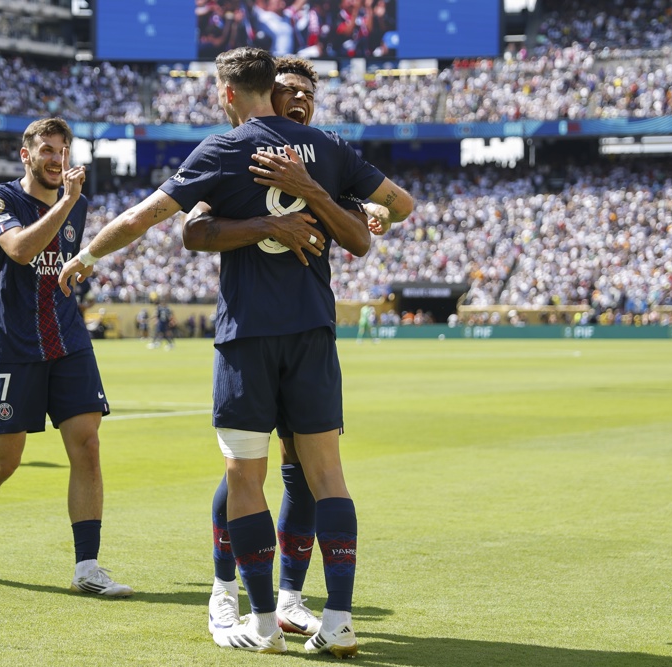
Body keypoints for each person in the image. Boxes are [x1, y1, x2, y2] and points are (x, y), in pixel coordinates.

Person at [58, 47, 413, 656]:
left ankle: (266, 621)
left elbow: (148, 217)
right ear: (271, 91)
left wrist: (87, 256)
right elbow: (400, 204)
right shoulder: (328, 149)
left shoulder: (225, 150)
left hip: (248, 335)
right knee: (326, 472)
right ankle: (338, 618)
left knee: (245, 474)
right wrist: (354, 212)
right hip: (311, 332)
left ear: (227, 94)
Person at [184, 53, 412, 643]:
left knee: (299, 476)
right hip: (263, 331)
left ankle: (288, 603)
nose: (298, 100)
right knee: (244, 474)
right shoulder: (238, 150)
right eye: (287, 90)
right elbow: (192, 226)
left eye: (307, 93)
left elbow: (392, 210)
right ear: (266, 92)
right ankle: (224, 590)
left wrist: (364, 209)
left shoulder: (327, 153)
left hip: (304, 331)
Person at [0, 118, 131, 598]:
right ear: (25, 154)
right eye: (47, 149)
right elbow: (22, 250)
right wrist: (66, 203)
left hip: (68, 342)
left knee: (87, 445)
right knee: (3, 462)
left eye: (62, 150)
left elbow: (59, 263)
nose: (56, 158)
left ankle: (86, 567)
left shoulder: (79, 205)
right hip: (15, 348)